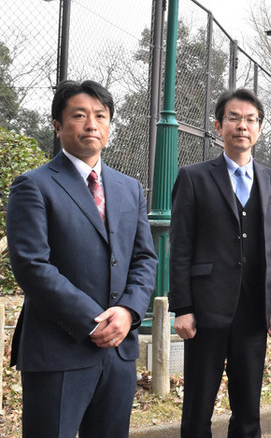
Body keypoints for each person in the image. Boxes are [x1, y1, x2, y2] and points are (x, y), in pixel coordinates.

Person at [6, 79, 158, 437]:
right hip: (58, 349)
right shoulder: (34, 185)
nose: (92, 124)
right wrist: (93, 321)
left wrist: (129, 312)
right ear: (58, 126)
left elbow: (144, 258)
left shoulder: (129, 188)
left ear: (109, 127)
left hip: (119, 351)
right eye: (79, 115)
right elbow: (32, 265)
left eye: (101, 116)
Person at [169, 88, 271, 437]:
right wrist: (183, 306)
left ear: (260, 128)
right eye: (234, 118)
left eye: (251, 119)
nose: (242, 126)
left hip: (255, 310)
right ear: (218, 125)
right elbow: (180, 247)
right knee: (198, 407)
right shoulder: (194, 177)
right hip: (206, 310)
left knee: (248, 407)